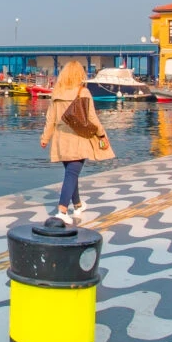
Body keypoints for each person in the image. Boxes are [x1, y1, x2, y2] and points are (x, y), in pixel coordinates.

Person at [40, 61, 115, 224]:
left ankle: (78, 205)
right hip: (78, 137)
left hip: (61, 138)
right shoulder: (83, 92)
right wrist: (102, 134)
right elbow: (92, 117)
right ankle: (62, 210)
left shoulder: (57, 92)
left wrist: (45, 138)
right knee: (72, 173)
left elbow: (50, 119)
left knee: (71, 172)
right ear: (79, 74)